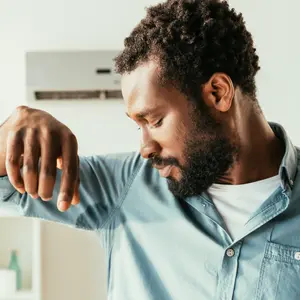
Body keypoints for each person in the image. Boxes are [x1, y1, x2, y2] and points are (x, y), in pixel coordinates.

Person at [0, 0, 298, 299]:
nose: (145, 147)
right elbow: (6, 189)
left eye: (154, 120)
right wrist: (9, 134)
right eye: (137, 125)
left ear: (218, 93)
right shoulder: (124, 185)